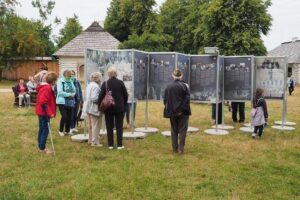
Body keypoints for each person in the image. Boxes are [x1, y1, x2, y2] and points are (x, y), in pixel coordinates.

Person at [99, 67, 128, 150]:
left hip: (108, 108)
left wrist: (100, 107)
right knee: (119, 126)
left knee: (109, 126)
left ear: (108, 74)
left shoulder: (105, 83)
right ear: (116, 74)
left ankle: (110, 145)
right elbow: (125, 95)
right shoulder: (121, 83)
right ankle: (119, 145)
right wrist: (123, 103)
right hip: (119, 108)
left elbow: (100, 96)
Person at [164, 69, 191, 154]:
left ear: (173, 76)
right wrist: (180, 109)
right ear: (181, 76)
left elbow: (165, 100)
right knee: (183, 130)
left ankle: (174, 148)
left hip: (172, 112)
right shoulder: (185, 86)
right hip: (183, 112)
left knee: (174, 130)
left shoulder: (168, 86)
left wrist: (172, 109)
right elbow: (187, 99)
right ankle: (180, 149)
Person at [35, 72, 58, 154]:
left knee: (42, 128)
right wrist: (50, 113)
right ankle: (42, 148)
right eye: (56, 80)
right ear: (53, 81)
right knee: (45, 129)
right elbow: (43, 102)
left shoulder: (46, 87)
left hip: (42, 112)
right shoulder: (47, 88)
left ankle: (40, 146)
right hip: (44, 112)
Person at [56, 70, 76, 136]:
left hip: (70, 101)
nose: (70, 77)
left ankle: (67, 131)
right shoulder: (60, 81)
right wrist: (69, 95)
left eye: (71, 76)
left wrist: (73, 93)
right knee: (64, 116)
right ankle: (61, 130)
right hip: (62, 101)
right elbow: (60, 92)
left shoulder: (71, 81)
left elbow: (74, 89)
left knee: (70, 116)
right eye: (69, 76)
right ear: (65, 75)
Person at [85, 72, 103, 147]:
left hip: (88, 107)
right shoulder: (96, 86)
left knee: (91, 125)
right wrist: (102, 99)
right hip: (94, 108)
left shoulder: (89, 85)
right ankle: (95, 142)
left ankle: (90, 140)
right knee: (96, 125)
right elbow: (94, 98)